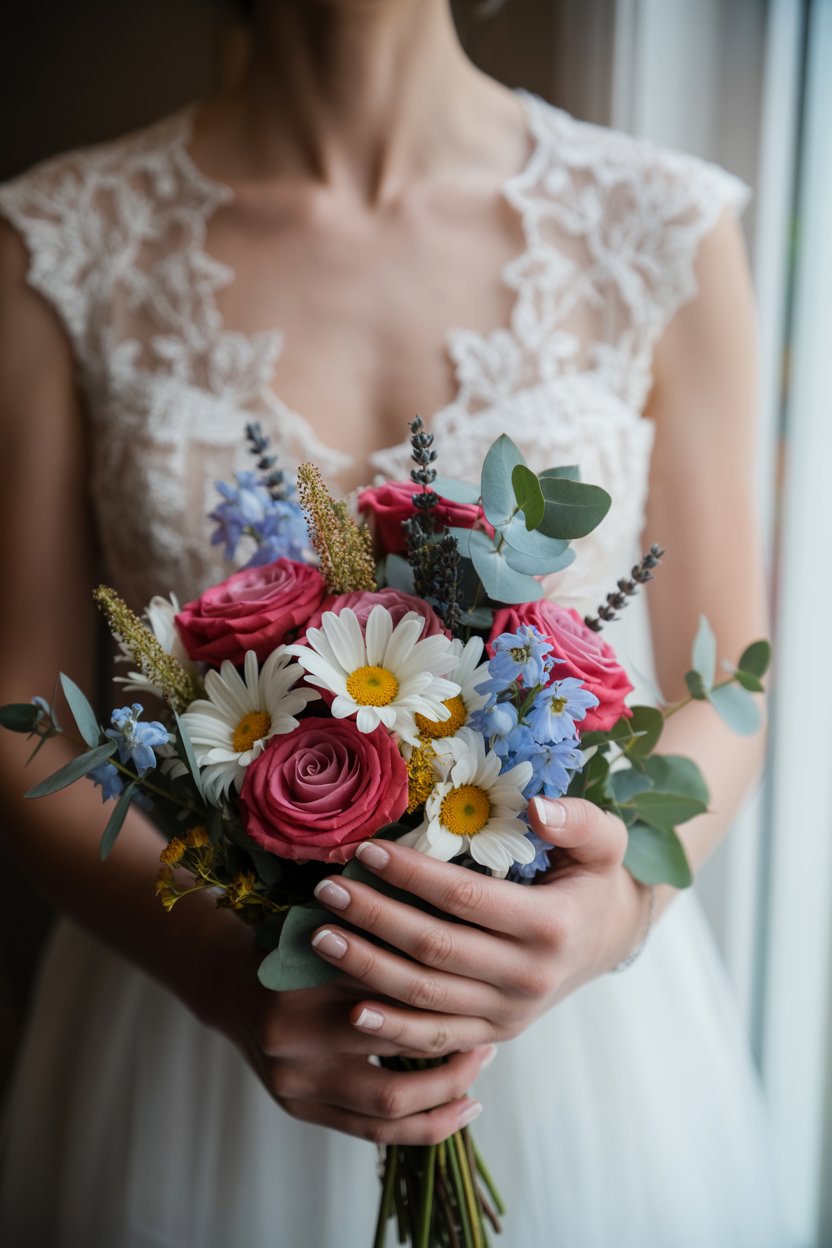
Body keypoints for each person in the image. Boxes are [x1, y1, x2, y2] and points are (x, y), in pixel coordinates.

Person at [0, 1, 788, 1244]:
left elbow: (730, 682)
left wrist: (605, 919)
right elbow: (25, 724)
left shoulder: (661, 226)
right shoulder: (57, 240)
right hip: (190, 1007)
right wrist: (226, 971)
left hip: (577, 1040)